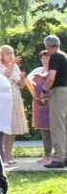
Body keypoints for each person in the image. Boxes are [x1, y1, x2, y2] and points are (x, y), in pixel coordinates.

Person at [40, 35, 67, 168]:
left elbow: (51, 77)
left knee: (57, 125)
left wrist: (44, 90)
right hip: (66, 91)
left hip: (59, 92)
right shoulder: (64, 56)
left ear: (48, 46)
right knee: (64, 124)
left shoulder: (55, 57)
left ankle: (59, 158)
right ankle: (65, 155)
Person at [0, 45, 28, 164]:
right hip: (6, 95)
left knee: (14, 126)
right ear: (2, 56)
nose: (11, 55)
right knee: (7, 126)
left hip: (15, 95)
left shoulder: (15, 66)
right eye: (8, 53)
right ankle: (4, 156)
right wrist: (12, 64)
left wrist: (22, 78)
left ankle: (9, 154)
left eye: (12, 53)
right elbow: (5, 77)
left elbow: (21, 85)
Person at [25, 51, 51, 162]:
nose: (45, 60)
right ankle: (47, 154)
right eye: (43, 58)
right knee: (45, 131)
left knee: (59, 129)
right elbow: (27, 81)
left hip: (53, 103)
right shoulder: (37, 71)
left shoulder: (58, 70)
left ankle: (61, 154)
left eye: (47, 58)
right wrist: (35, 95)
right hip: (41, 105)